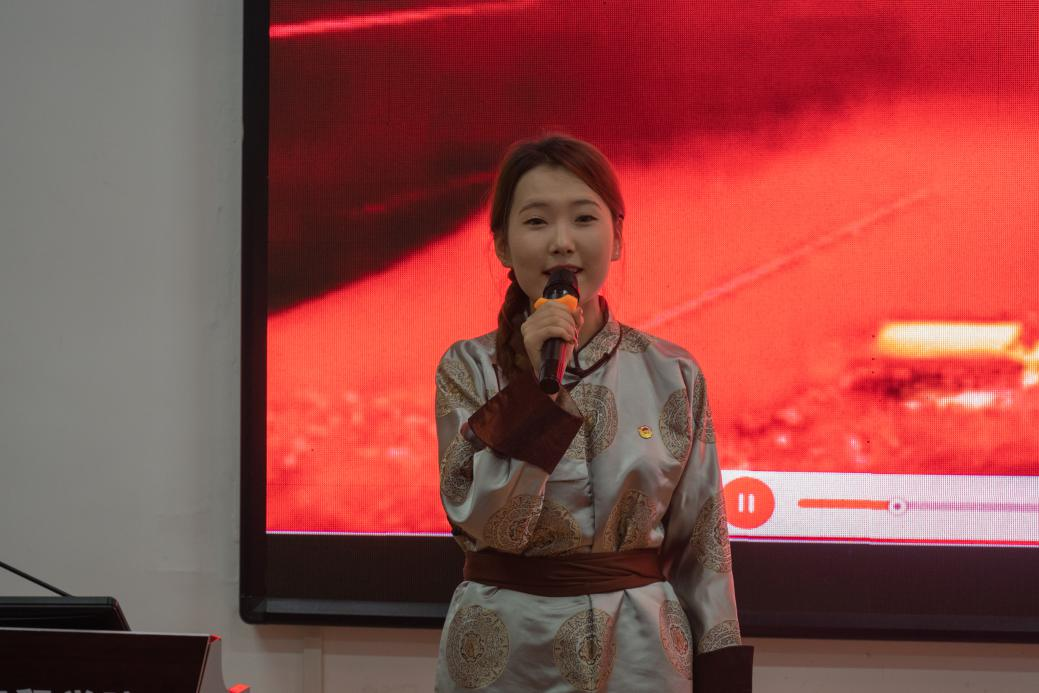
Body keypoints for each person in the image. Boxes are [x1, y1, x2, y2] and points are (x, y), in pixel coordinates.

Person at [434, 134, 753, 692]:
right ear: (502, 244)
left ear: (617, 237)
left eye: (583, 218)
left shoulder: (673, 372)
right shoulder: (468, 367)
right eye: (536, 222)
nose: (562, 243)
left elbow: (703, 546)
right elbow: (486, 521)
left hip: (641, 655)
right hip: (503, 653)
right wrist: (534, 390)